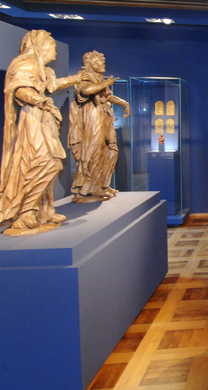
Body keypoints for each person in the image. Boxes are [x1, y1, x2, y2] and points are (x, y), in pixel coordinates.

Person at [0, 30, 80, 236]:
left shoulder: (44, 69)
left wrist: (77, 78)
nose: (56, 51)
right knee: (43, 163)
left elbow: (53, 85)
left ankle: (44, 211)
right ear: (42, 47)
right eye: (53, 46)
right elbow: (19, 89)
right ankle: (25, 211)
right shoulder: (25, 64)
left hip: (44, 119)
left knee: (51, 163)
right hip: (33, 120)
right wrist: (39, 100)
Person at [68, 51, 130, 203]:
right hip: (92, 117)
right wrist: (105, 84)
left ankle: (103, 184)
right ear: (89, 65)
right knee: (93, 151)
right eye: (97, 63)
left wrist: (124, 103)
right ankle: (87, 189)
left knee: (111, 149)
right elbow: (85, 91)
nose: (101, 64)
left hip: (105, 116)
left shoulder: (100, 79)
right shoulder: (85, 77)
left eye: (102, 62)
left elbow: (108, 96)